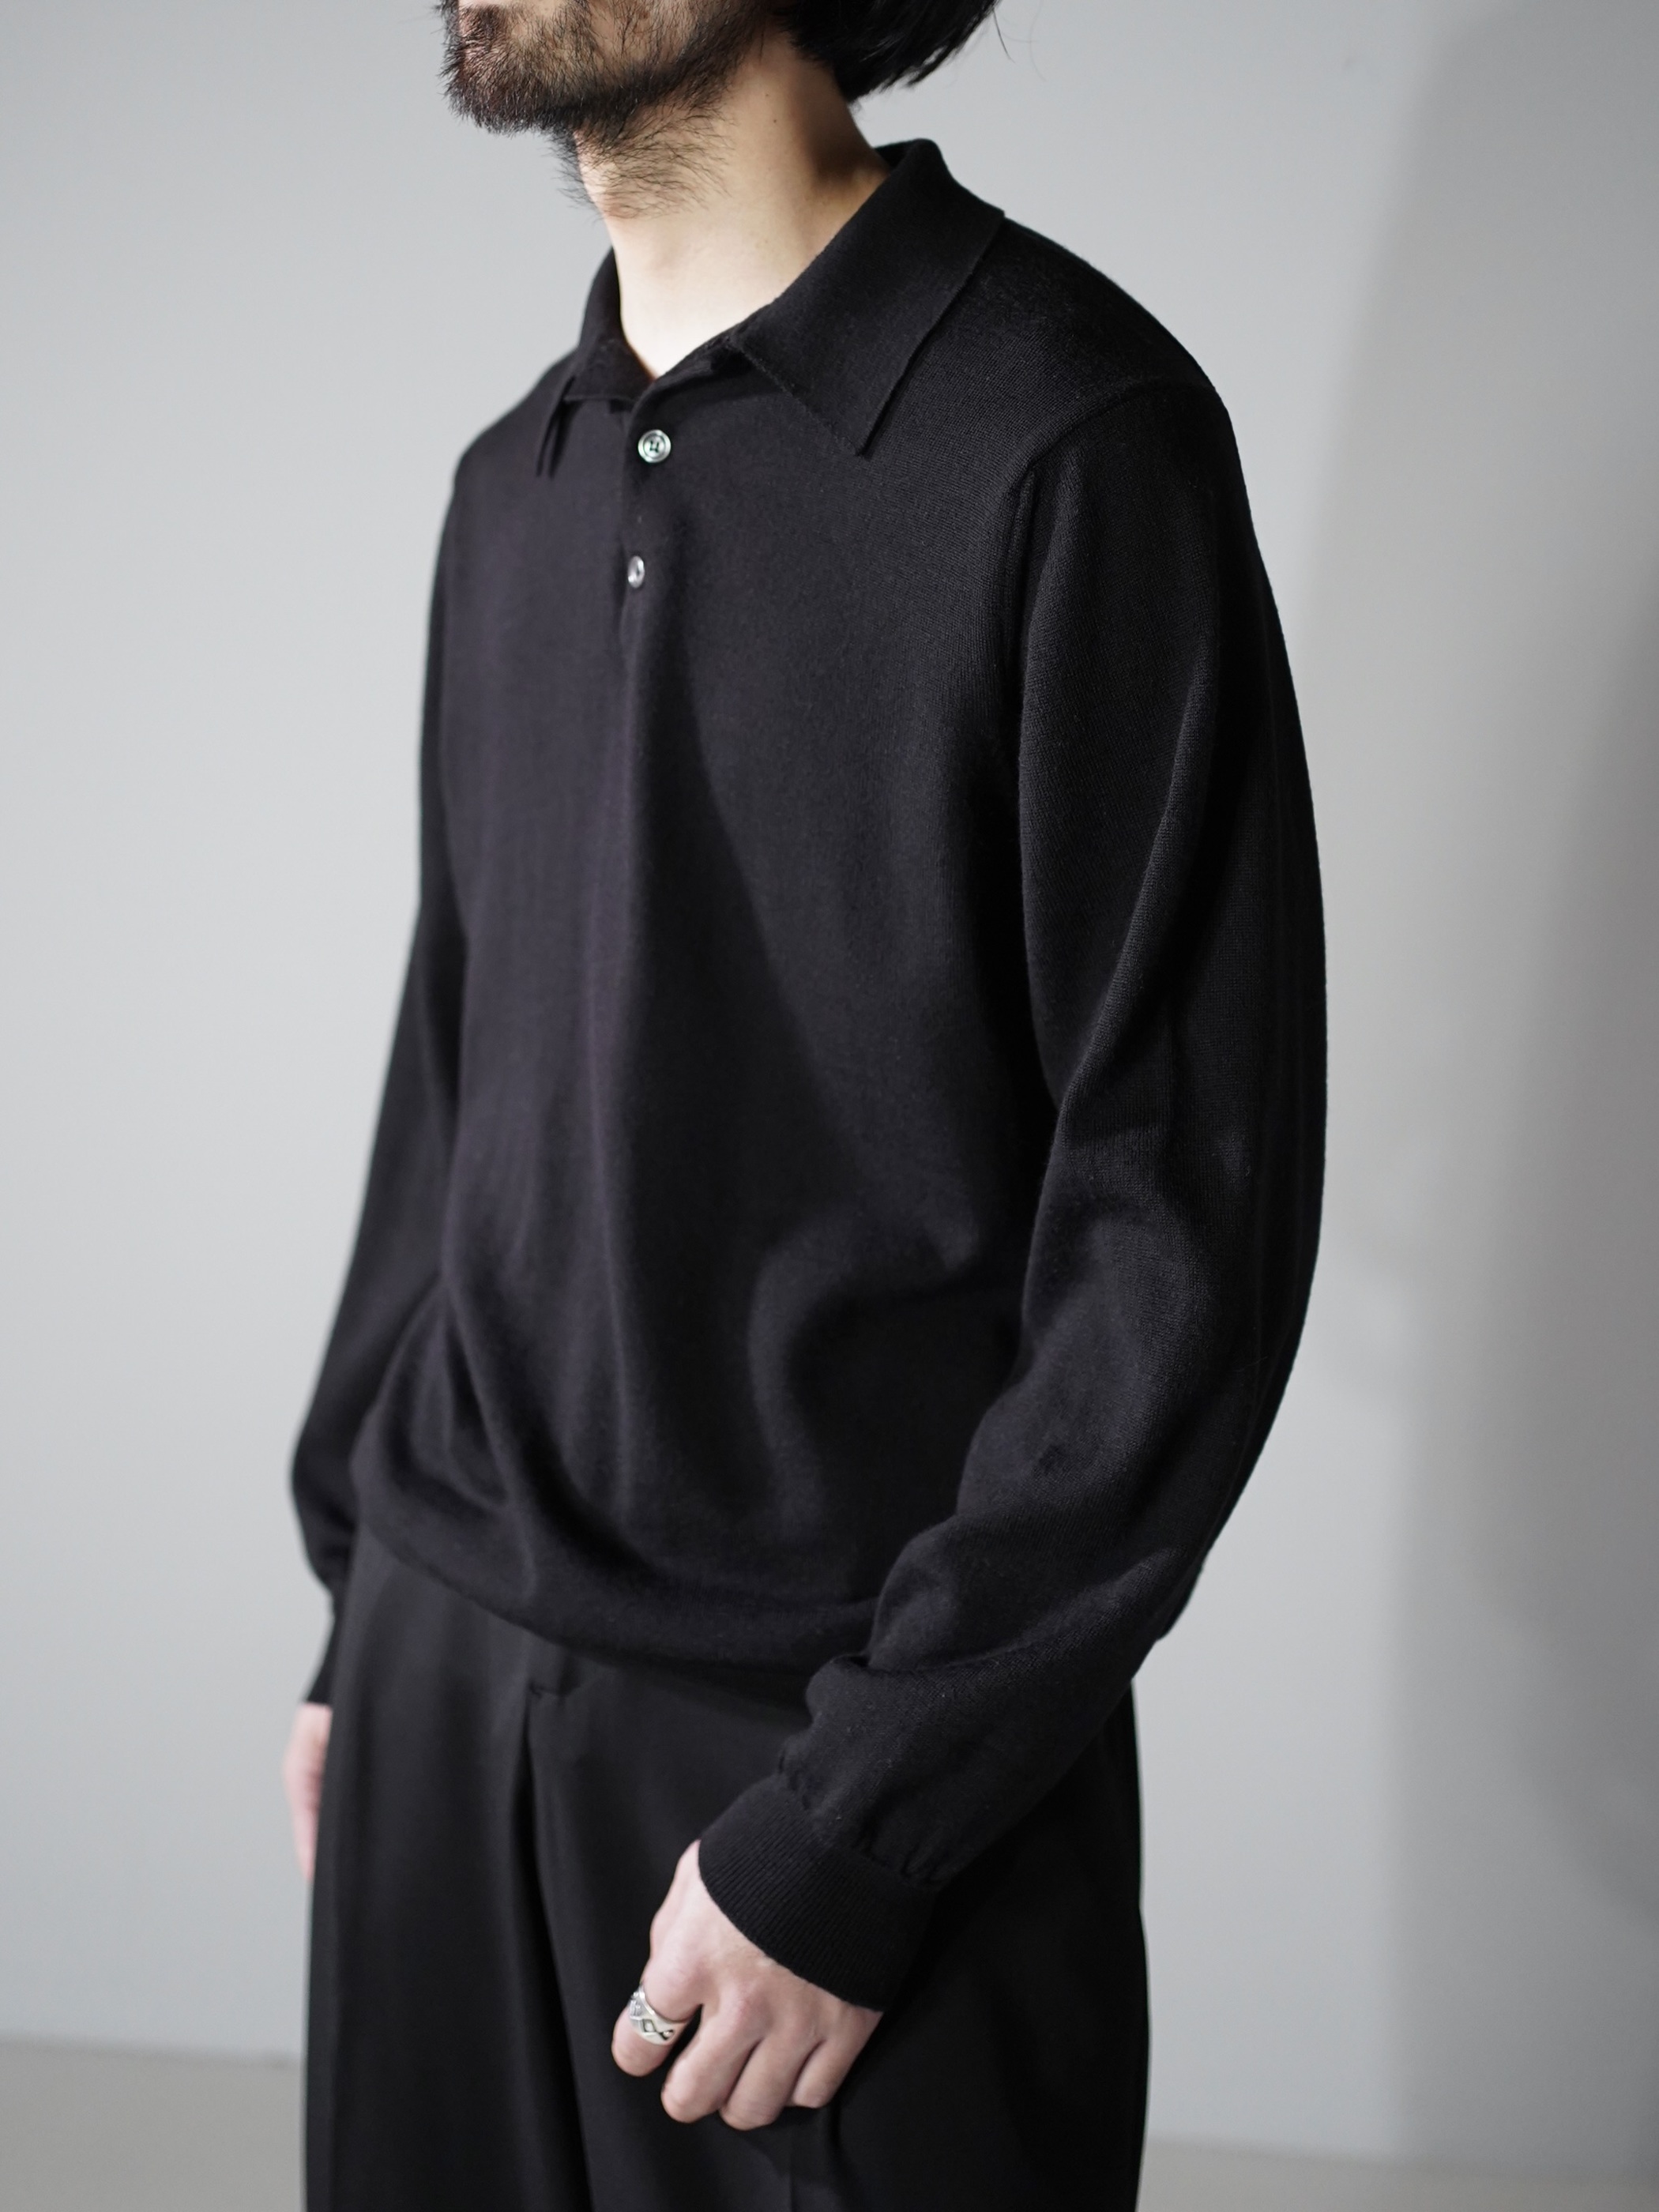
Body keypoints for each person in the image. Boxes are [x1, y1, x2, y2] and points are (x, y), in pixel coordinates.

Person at [281, 2, 1326, 2205]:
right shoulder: (507, 486)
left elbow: (1178, 1222)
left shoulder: (1070, 439)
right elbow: (455, 1086)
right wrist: (358, 1604)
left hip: (824, 1762)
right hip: (435, 1678)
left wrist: (866, 1820)